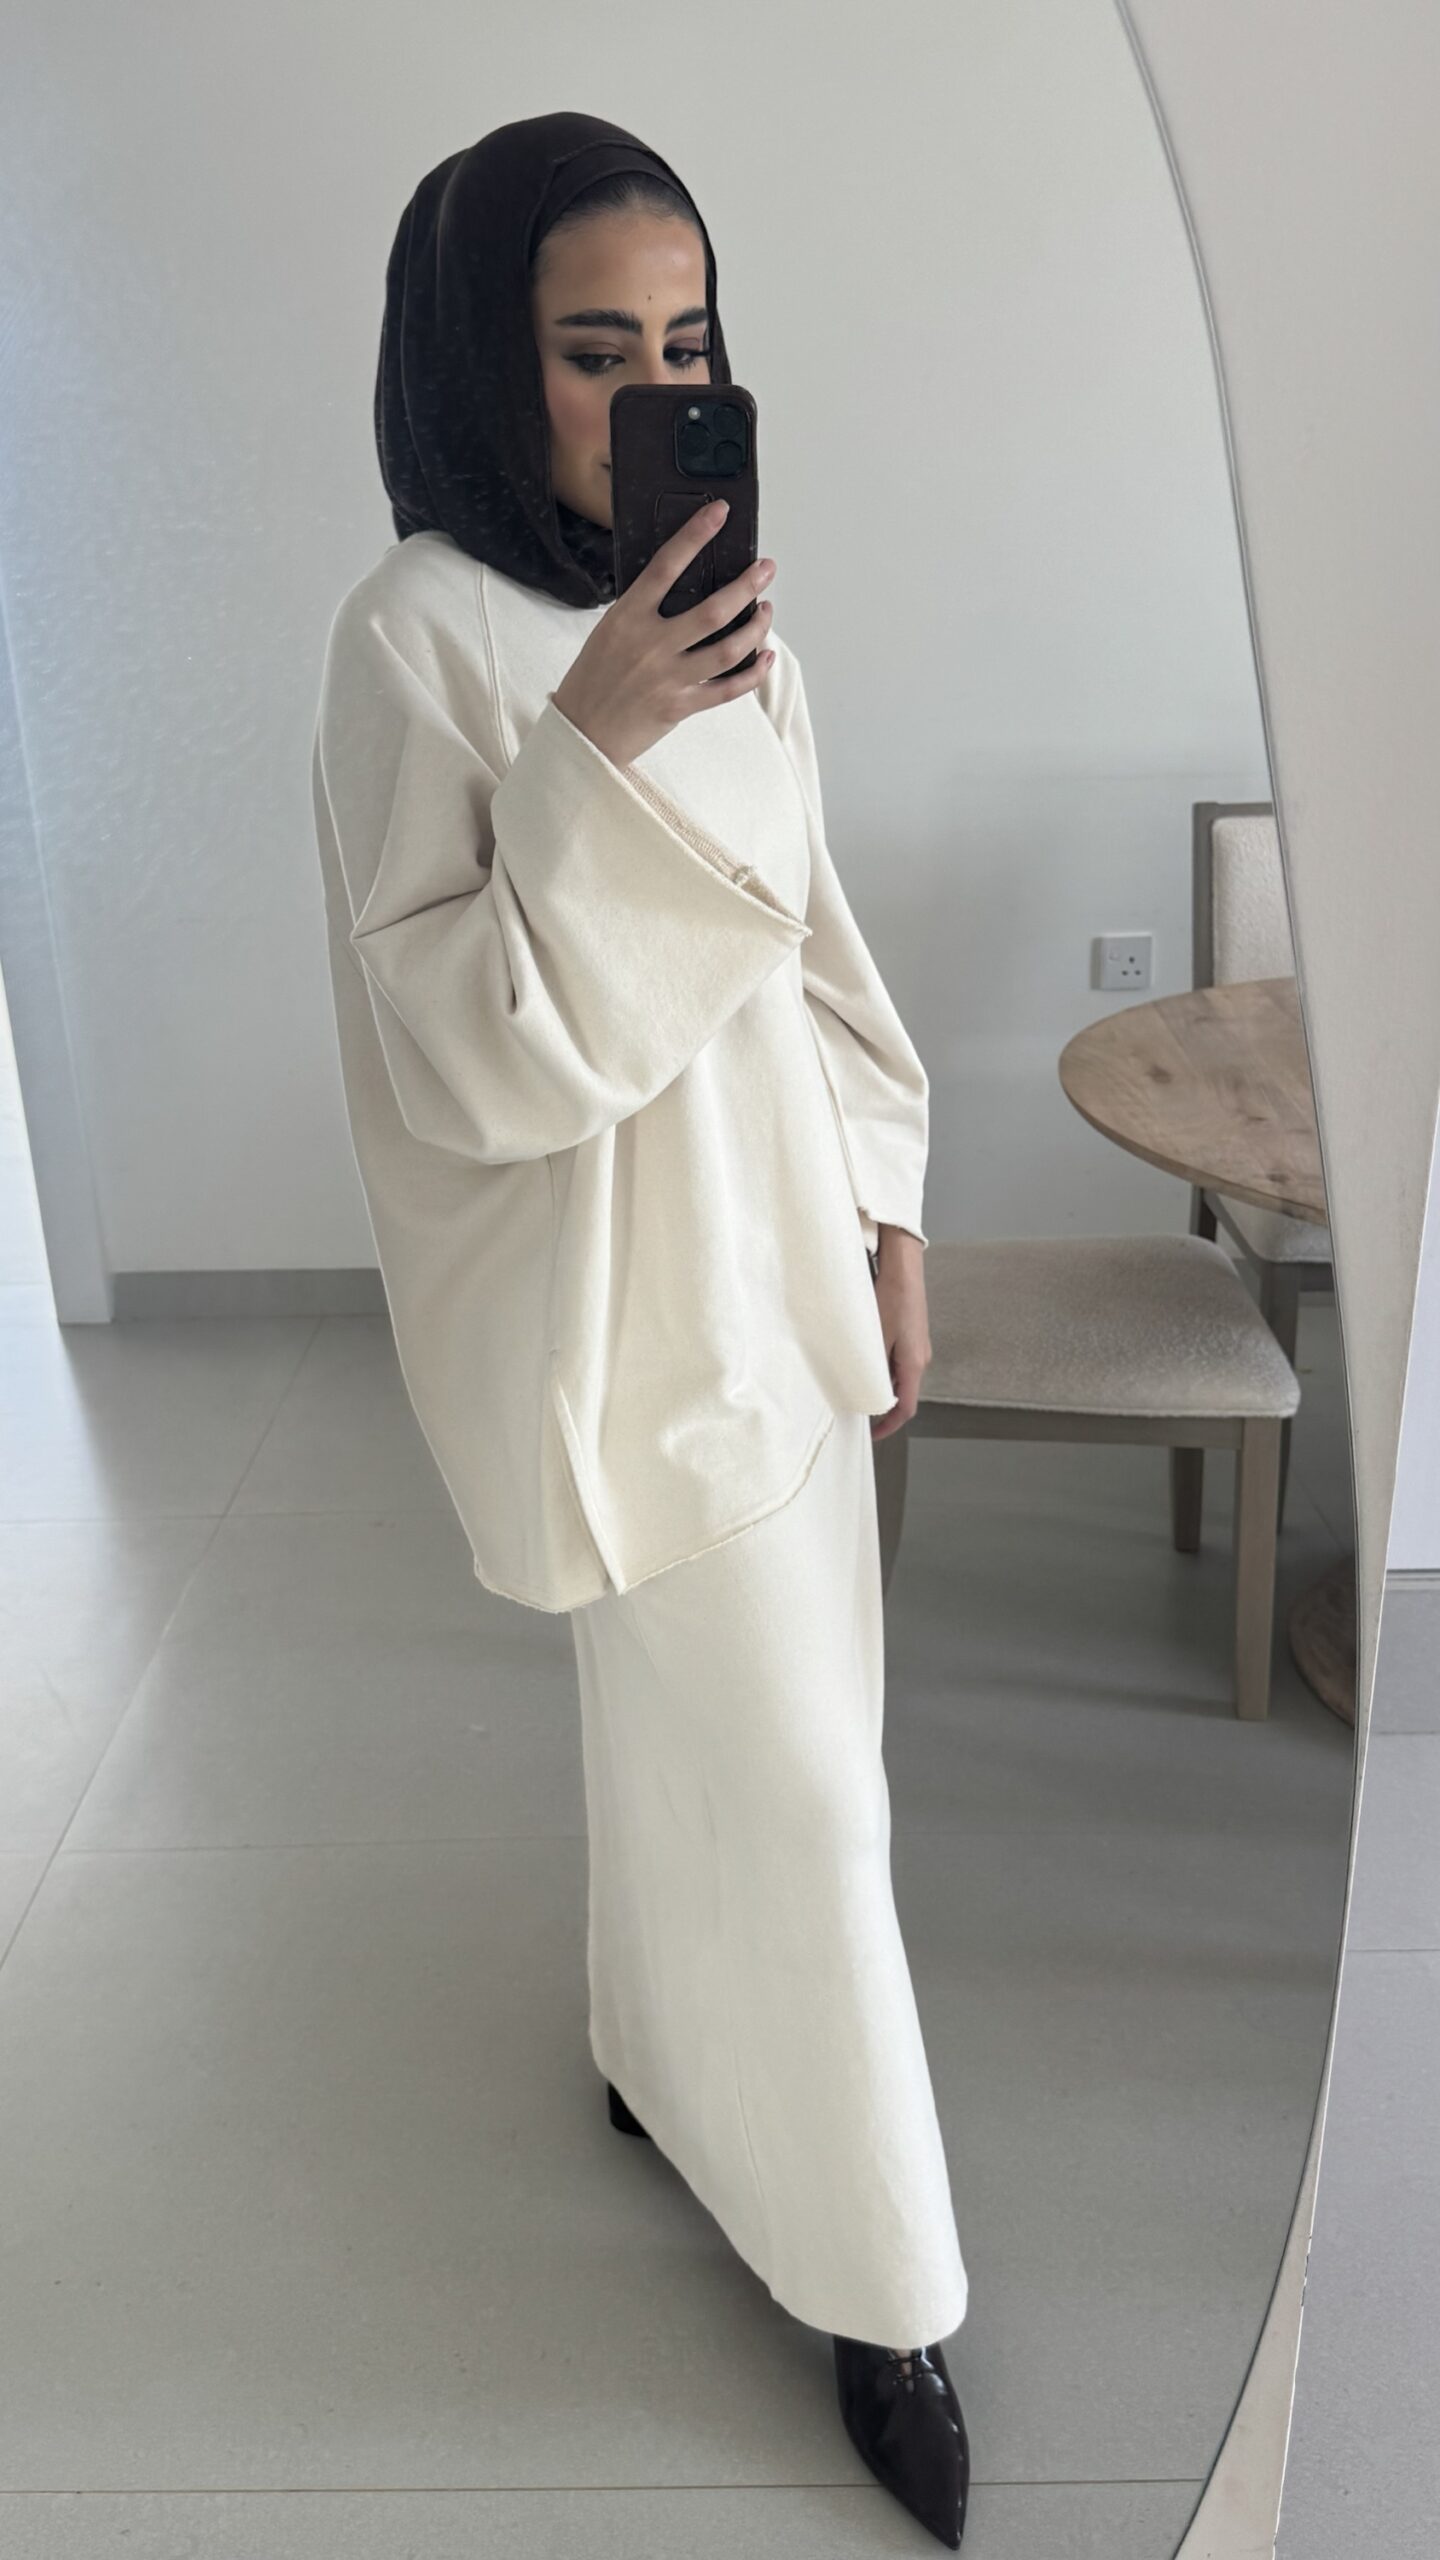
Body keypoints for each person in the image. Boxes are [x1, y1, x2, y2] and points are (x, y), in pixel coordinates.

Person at [311, 109, 971, 2549]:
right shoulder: (414, 639)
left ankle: (652, 2047)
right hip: (619, 1310)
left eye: (689, 347)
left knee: (748, 1749)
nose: (654, 398)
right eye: (598, 353)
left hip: (779, 1261)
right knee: (809, 1797)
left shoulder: (727, 606)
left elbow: (814, 939)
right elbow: (456, 1050)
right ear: (486, 364)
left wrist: (891, 1201)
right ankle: (891, 2292)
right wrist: (586, 744)